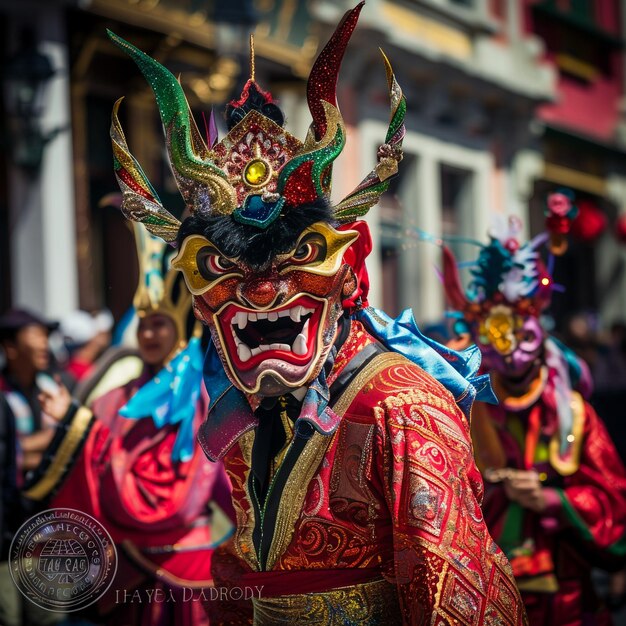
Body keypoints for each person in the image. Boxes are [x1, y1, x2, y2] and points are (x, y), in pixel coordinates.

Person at [106, 4, 527, 624]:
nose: (260, 293)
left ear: (346, 271)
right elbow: (245, 570)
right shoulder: (251, 406)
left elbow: (454, 597)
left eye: (294, 259)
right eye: (223, 270)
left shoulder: (401, 406)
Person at [27, 223, 234, 626]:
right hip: (127, 564)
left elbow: (196, 488)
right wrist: (74, 420)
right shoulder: (116, 397)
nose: (149, 333)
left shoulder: (204, 397)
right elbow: (94, 454)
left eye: (159, 322)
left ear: (181, 326)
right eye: (143, 323)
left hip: (191, 563)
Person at [442, 206, 626, 625]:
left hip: (564, 594)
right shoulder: (462, 411)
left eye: (522, 334)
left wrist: (555, 500)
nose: (510, 350)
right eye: (496, 335)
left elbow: (615, 504)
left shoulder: (573, 414)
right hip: (485, 592)